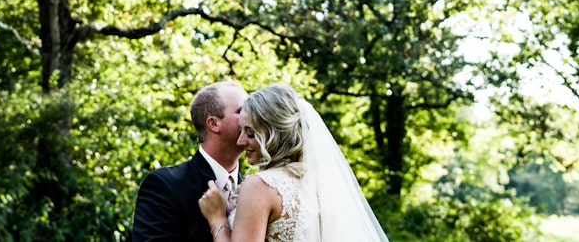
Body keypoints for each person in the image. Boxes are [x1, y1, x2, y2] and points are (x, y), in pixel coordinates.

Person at [198, 83, 389, 242]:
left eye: (250, 132)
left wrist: (217, 219)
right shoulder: (321, 185)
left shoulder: (259, 186)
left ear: (274, 133)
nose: (240, 141)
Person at [133, 81, 249, 242]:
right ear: (213, 124)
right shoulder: (166, 185)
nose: (251, 118)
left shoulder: (254, 190)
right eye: (241, 111)